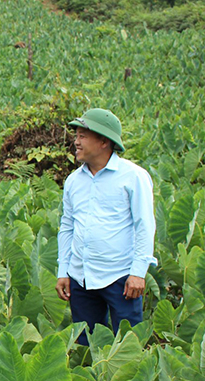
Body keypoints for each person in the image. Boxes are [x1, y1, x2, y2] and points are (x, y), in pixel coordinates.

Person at [55, 108, 156, 344]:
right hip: (81, 276)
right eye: (76, 136)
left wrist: (138, 272)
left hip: (120, 277)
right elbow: (67, 227)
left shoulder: (133, 177)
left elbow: (144, 225)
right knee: (84, 345)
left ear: (103, 141)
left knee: (127, 347)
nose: (76, 142)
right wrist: (64, 270)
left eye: (82, 136)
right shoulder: (74, 180)